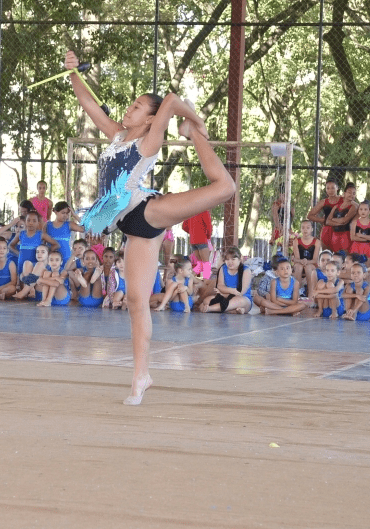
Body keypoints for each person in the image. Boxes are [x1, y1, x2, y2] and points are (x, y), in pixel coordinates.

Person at [66, 49, 235, 405]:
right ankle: (141, 375)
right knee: (135, 301)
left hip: (148, 211)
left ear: (150, 120)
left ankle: (196, 135)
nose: (129, 108)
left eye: (138, 106)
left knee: (224, 188)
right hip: (129, 226)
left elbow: (172, 99)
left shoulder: (148, 140)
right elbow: (87, 103)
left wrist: (193, 120)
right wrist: (73, 72)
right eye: (131, 104)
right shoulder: (116, 135)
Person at [199, 247, 252, 315]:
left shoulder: (246, 270)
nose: (230, 262)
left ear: (240, 259)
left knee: (240, 301)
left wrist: (223, 294)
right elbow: (220, 286)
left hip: (242, 299)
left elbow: (241, 292)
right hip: (225, 297)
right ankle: (233, 311)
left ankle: (210, 309)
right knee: (206, 300)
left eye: (233, 259)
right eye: (227, 259)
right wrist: (231, 291)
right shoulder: (223, 268)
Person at [10, 211, 59, 277]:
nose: (31, 223)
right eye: (28, 220)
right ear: (25, 221)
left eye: (34, 221)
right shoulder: (21, 234)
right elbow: (10, 246)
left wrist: (45, 253)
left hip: (36, 265)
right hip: (22, 262)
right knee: (23, 282)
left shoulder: (41, 234)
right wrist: (18, 253)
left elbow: (56, 244)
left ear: (38, 223)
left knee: (33, 282)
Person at [307, 179, 342, 250]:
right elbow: (310, 216)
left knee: (340, 256)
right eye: (328, 188)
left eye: (333, 188)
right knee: (326, 255)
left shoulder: (344, 200)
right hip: (327, 231)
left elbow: (356, 208)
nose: (330, 190)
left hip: (340, 230)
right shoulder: (323, 202)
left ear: (337, 188)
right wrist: (322, 220)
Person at [326, 182, 358, 253]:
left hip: (345, 236)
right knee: (336, 257)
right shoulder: (336, 206)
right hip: (334, 235)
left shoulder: (353, 207)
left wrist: (333, 220)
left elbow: (344, 220)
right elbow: (327, 221)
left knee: (345, 258)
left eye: (354, 193)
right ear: (344, 193)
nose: (351, 195)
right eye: (349, 192)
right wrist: (338, 223)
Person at [292, 219, 320, 297]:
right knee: (298, 267)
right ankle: (296, 294)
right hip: (299, 263)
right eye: (303, 227)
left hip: (311, 264)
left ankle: (311, 294)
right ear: (300, 229)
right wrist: (302, 261)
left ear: (311, 229)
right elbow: (296, 259)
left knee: (308, 268)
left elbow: (315, 260)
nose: (305, 230)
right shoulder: (296, 241)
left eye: (308, 228)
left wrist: (306, 262)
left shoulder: (316, 241)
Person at [182, 210, 213, 278]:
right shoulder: (204, 211)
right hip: (202, 239)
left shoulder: (192, 211)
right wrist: (208, 236)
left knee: (200, 264)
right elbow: (209, 227)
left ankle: (188, 279)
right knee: (206, 264)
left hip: (193, 241)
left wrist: (192, 232)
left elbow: (184, 226)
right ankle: (206, 282)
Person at [349, 200, 370, 265]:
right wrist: (368, 238)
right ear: (358, 210)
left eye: (365, 209)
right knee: (355, 266)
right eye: (361, 209)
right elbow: (352, 237)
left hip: (367, 248)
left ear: (369, 211)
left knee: (366, 268)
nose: (363, 211)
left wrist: (361, 235)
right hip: (356, 247)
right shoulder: (354, 222)